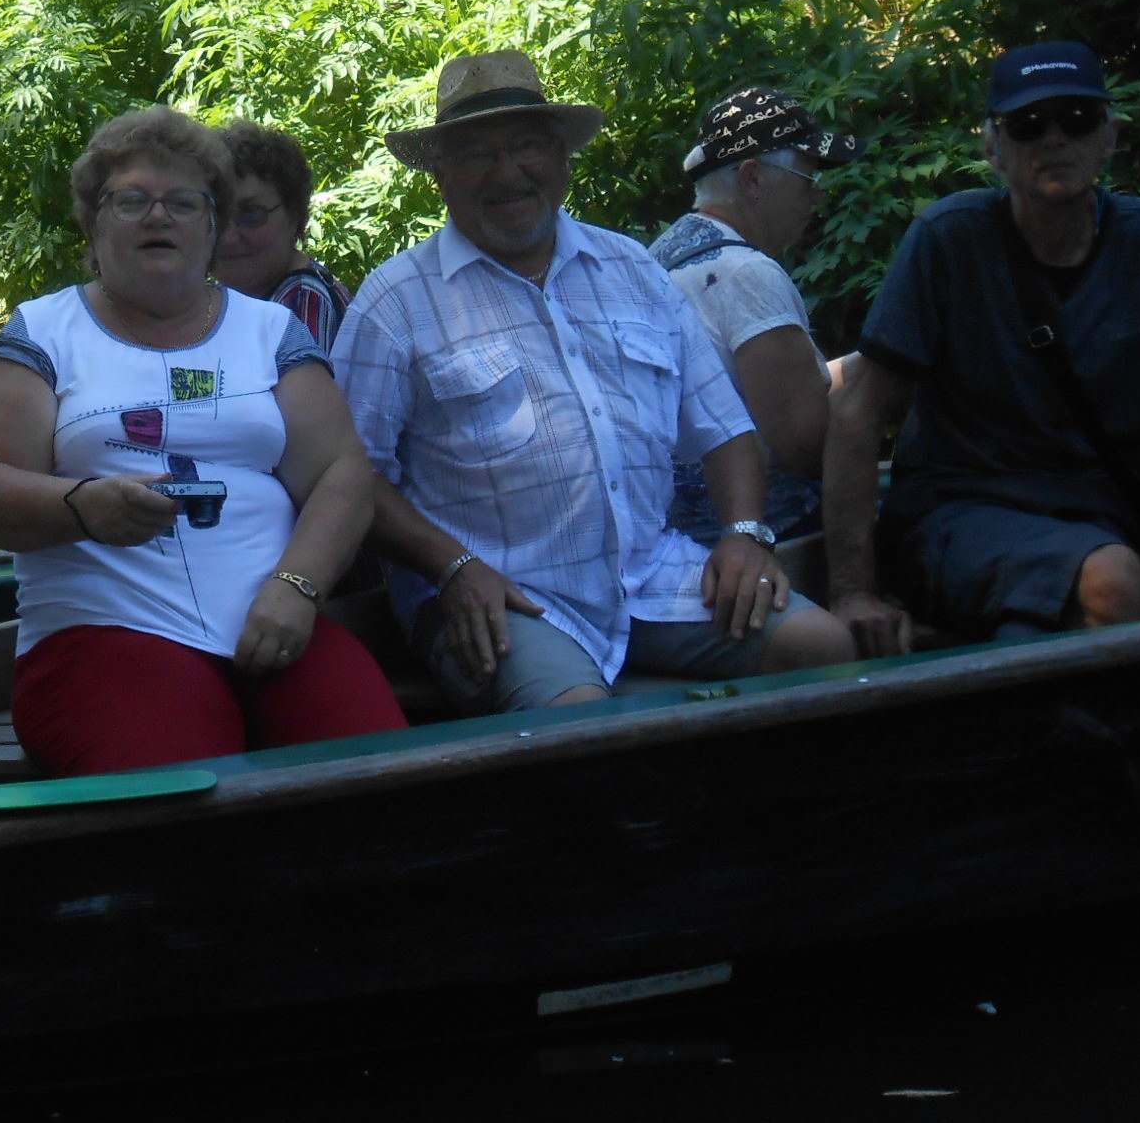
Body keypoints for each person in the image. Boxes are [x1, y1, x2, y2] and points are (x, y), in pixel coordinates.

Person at [332, 51, 856, 714]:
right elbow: (350, 476)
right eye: (476, 153)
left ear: (559, 156)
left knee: (821, 646)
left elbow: (723, 427)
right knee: (579, 719)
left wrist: (746, 532)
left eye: (526, 146)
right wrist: (450, 567)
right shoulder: (395, 302)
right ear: (440, 173)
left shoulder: (632, 268)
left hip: (651, 573)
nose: (507, 172)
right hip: (501, 594)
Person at [0, 106, 406, 775]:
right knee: (182, 790)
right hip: (108, 633)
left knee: (378, 773)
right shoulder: (43, 334)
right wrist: (81, 505)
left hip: (277, 619)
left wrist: (297, 589)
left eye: (183, 202)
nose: (158, 217)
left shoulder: (270, 332)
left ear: (213, 226)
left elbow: (341, 473)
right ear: (92, 222)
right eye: (131, 200)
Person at [823, 43, 1140, 656]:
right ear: (992, 146)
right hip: (957, 516)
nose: (1054, 139)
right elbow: (856, 411)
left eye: (1076, 120)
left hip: (1100, 517)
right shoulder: (949, 240)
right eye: (1028, 125)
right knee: (1109, 579)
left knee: (1098, 582)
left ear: (1109, 136)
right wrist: (852, 591)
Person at [649, 85, 863, 545]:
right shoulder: (747, 275)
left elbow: (755, 390)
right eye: (810, 180)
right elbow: (804, 445)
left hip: (671, 533)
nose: (818, 199)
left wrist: (874, 367)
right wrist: (876, 403)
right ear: (753, 179)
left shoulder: (663, 256)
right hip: (761, 533)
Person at [214, 119, 353, 352]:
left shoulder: (302, 301)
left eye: (251, 214)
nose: (227, 236)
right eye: (216, 213)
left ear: (293, 214)